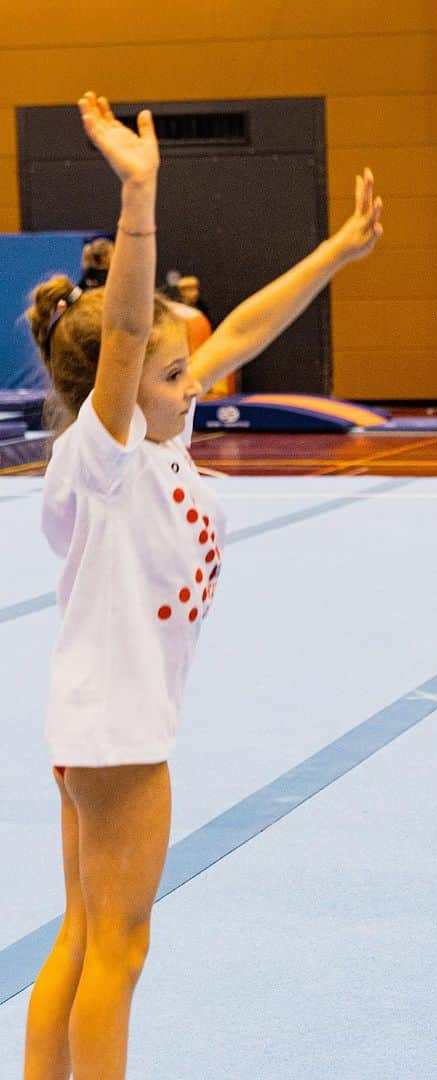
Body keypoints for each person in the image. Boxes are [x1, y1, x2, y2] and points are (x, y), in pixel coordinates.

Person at [23, 91, 382, 1080]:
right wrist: (138, 201)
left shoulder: (158, 441)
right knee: (121, 951)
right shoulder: (107, 458)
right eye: (176, 375)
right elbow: (135, 331)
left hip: (94, 724)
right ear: (123, 383)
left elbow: (240, 332)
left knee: (86, 935)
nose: (201, 384)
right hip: (122, 732)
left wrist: (339, 252)